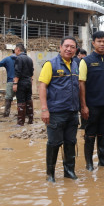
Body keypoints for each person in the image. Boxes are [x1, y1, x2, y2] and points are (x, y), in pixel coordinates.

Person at [39, 36, 80, 183]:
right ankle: (50, 174)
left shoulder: (76, 64)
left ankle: (69, 172)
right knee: (54, 143)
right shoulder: (50, 64)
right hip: (56, 112)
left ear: (76, 49)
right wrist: (44, 109)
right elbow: (42, 86)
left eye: (72, 47)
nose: (69, 49)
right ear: (60, 47)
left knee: (70, 142)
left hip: (72, 112)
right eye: (66, 46)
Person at [79, 31, 104, 171]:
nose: (102, 44)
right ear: (93, 43)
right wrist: (83, 106)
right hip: (91, 105)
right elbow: (81, 83)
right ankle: (89, 163)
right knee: (90, 134)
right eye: (99, 41)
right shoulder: (86, 61)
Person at [13, 43, 34, 126]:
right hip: (28, 82)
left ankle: (20, 122)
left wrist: (15, 83)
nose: (15, 52)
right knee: (29, 100)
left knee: (21, 101)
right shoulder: (29, 59)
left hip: (21, 82)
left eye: (15, 50)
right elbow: (32, 72)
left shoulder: (19, 58)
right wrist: (30, 80)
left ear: (18, 49)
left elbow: (17, 72)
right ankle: (30, 120)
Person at [75, 48, 88, 130]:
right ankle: (83, 124)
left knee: (79, 106)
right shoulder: (81, 61)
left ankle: (81, 123)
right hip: (81, 87)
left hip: (76, 87)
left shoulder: (75, 61)